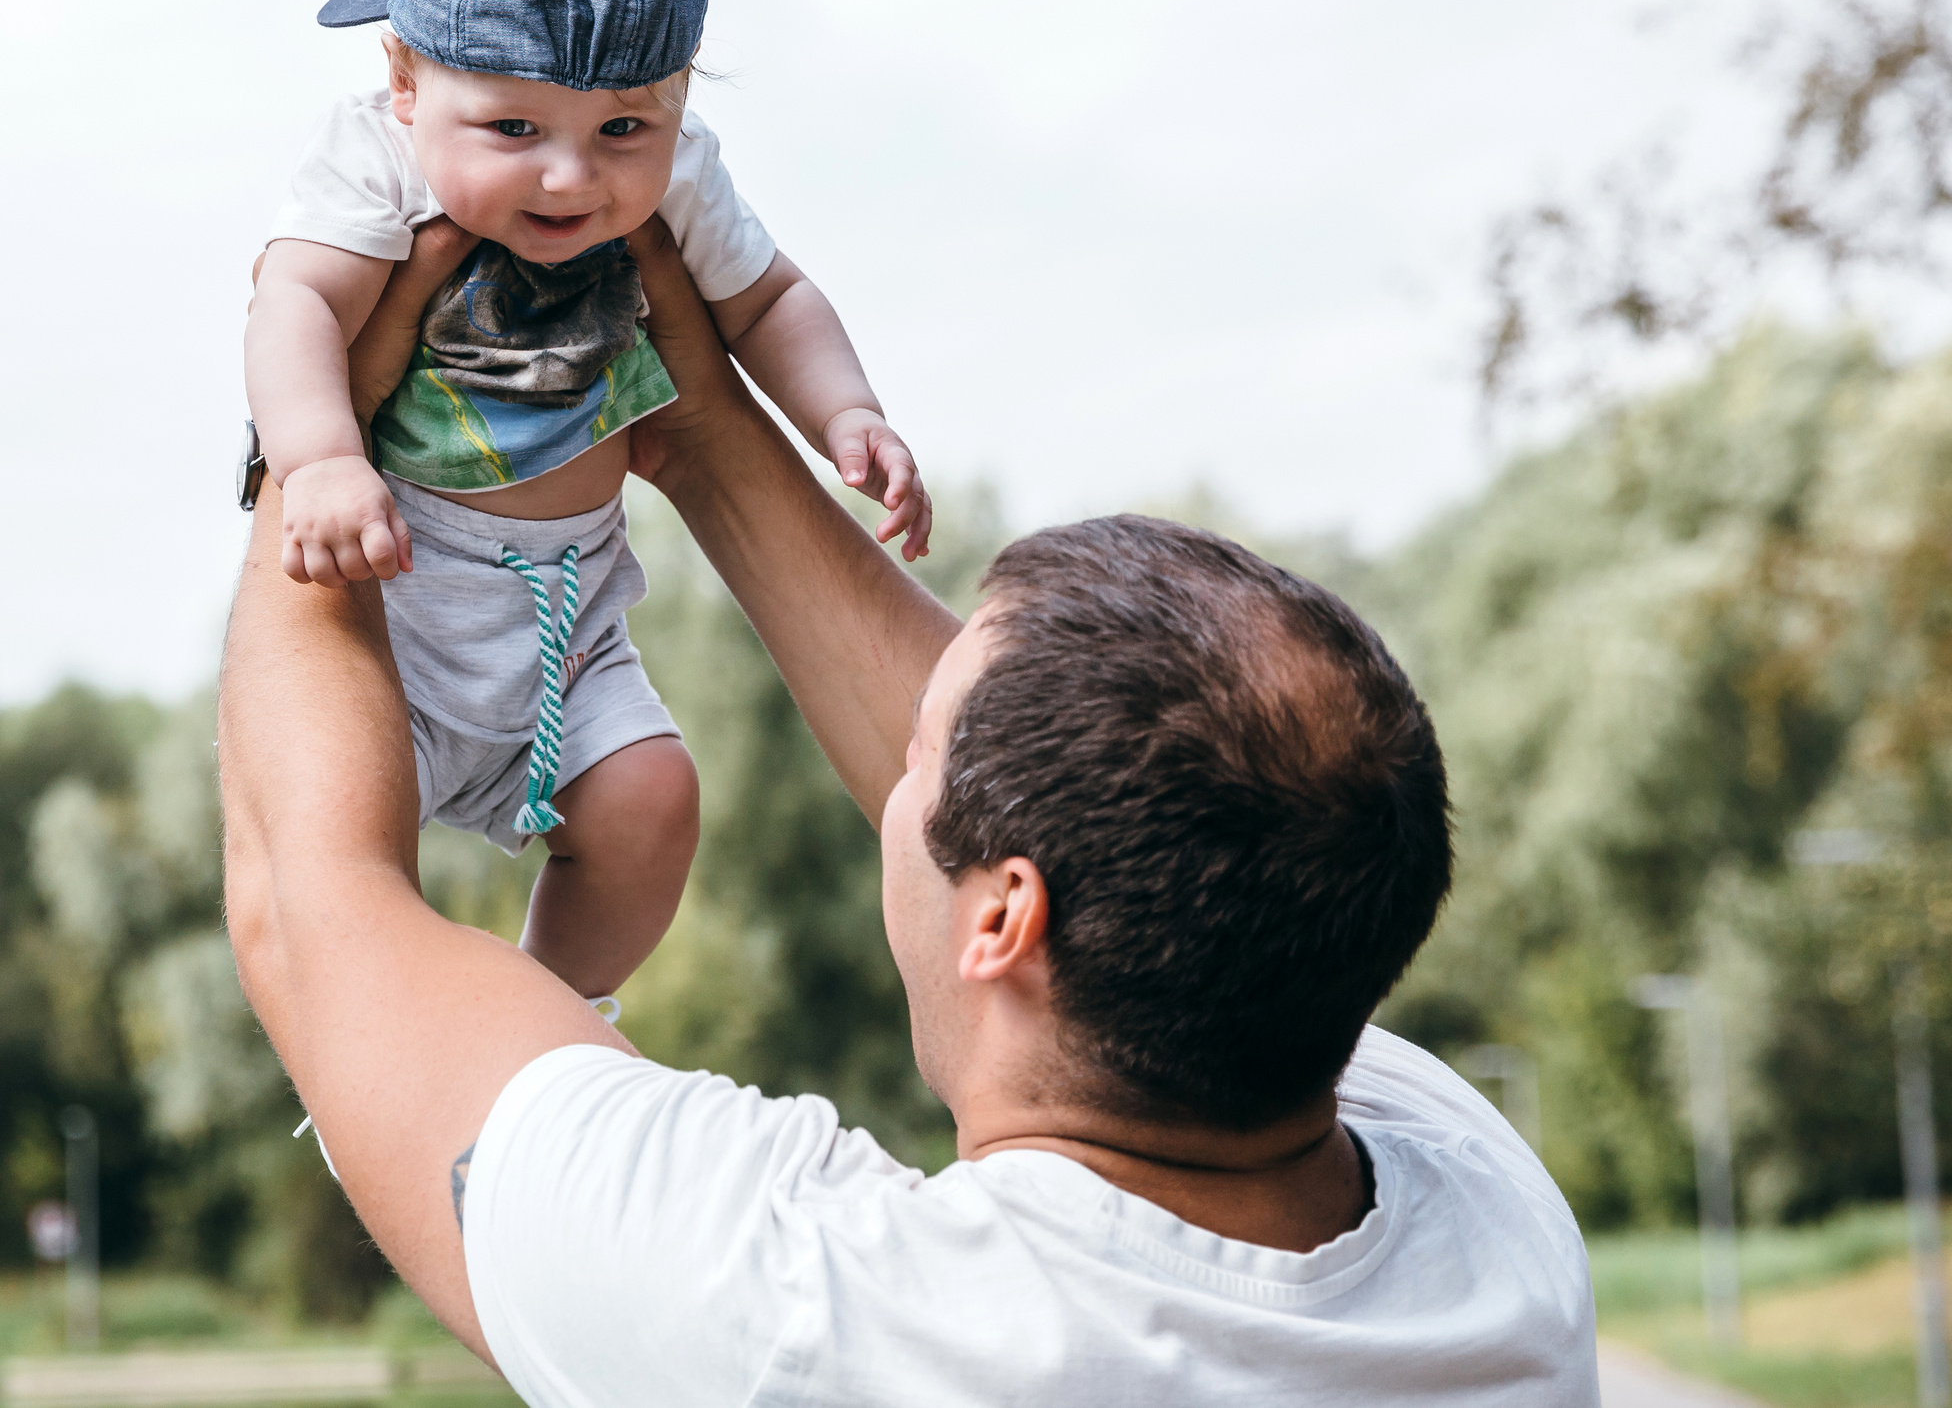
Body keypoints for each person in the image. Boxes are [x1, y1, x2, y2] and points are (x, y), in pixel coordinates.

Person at [218, 223, 1601, 1404]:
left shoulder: (811, 1323)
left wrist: (324, 429)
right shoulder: (1487, 1233)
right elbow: (1107, 820)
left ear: (1003, 915)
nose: (898, 769)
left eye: (924, 755)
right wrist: (699, 421)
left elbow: (313, 904)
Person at [243, 0, 927, 1003]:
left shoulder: (685, 176)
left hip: (575, 614)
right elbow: (292, 302)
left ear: (678, 98)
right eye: (514, 129)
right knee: (343, 857)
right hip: (398, 598)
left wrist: (845, 414)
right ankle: (388, 1055)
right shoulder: (375, 165)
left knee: (654, 800)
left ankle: (552, 1017)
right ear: (405, 81)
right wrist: (318, 463)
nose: (572, 176)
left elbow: (771, 302)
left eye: (624, 127)